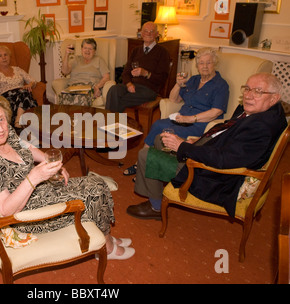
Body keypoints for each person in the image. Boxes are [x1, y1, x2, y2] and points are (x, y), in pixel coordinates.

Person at [0, 90, 135, 260]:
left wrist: (48, 161)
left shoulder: (4, 133)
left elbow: (26, 147)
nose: (0, 127)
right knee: (94, 194)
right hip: (26, 215)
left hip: (39, 189)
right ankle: (106, 246)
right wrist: (34, 177)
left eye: (1, 119)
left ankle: (104, 236)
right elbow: (5, 211)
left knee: (97, 183)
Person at [127, 72, 287, 219]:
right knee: (159, 140)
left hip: (212, 175)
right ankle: (157, 186)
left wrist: (184, 147)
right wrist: (198, 140)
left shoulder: (260, 127)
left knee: (145, 155)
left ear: (274, 98)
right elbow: (225, 131)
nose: (249, 95)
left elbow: (223, 160)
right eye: (247, 89)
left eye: (258, 91)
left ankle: (156, 208)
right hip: (212, 152)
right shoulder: (259, 112)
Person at [123, 47, 229, 176]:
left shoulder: (220, 85)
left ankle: (152, 169)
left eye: (208, 63)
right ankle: (140, 163)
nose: (205, 66)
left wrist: (191, 119)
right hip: (181, 118)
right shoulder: (194, 80)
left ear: (214, 64)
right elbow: (174, 99)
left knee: (168, 133)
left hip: (199, 124)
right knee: (158, 124)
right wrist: (178, 84)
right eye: (201, 63)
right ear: (197, 65)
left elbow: (216, 112)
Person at [105, 21, 171, 113]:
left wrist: (146, 73)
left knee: (119, 100)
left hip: (149, 90)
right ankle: (114, 125)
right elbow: (126, 72)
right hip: (132, 86)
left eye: (152, 31)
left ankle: (111, 124)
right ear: (141, 34)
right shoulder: (136, 50)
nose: (148, 33)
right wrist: (129, 84)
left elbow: (162, 78)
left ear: (156, 34)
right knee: (113, 90)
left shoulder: (163, 52)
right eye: (146, 31)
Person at [0, 45, 38, 130]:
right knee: (26, 95)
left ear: (9, 56)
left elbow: (33, 81)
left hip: (21, 95)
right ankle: (21, 121)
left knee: (25, 92)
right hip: (5, 99)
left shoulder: (17, 69)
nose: (4, 58)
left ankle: (17, 122)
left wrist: (30, 85)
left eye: (6, 55)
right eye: (0, 56)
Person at [60, 38, 110, 105]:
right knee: (62, 100)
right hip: (73, 88)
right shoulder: (76, 59)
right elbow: (64, 71)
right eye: (85, 48)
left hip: (89, 88)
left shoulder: (99, 60)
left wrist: (97, 87)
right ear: (81, 49)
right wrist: (66, 54)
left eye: (90, 49)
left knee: (79, 100)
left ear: (94, 51)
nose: (87, 51)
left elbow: (106, 77)